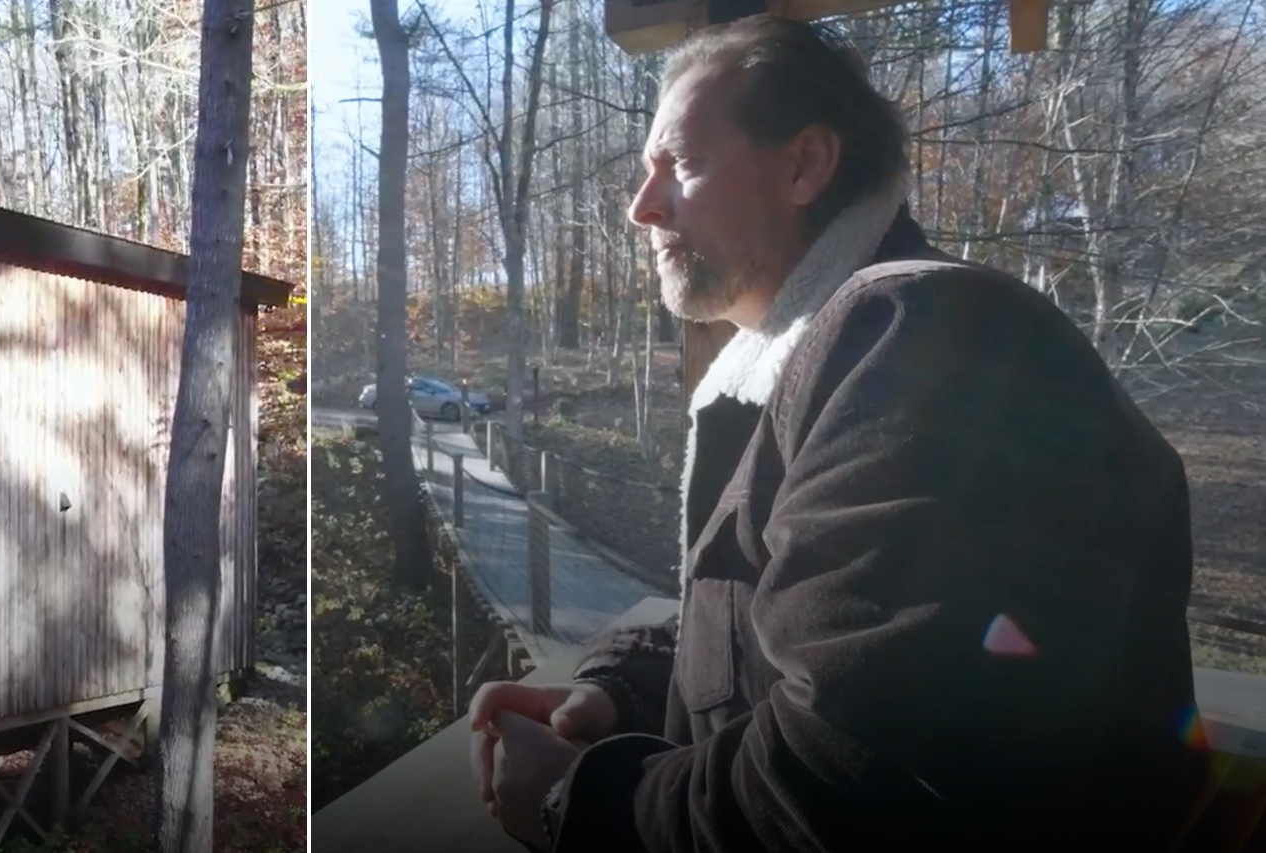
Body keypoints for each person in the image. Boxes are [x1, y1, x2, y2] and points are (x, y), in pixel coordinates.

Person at [469, 14, 1208, 853]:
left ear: (805, 164)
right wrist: (618, 690)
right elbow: (792, 623)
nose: (643, 206)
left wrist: (582, 801)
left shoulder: (923, 338)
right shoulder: (833, 350)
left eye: (679, 162)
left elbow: (853, 774)